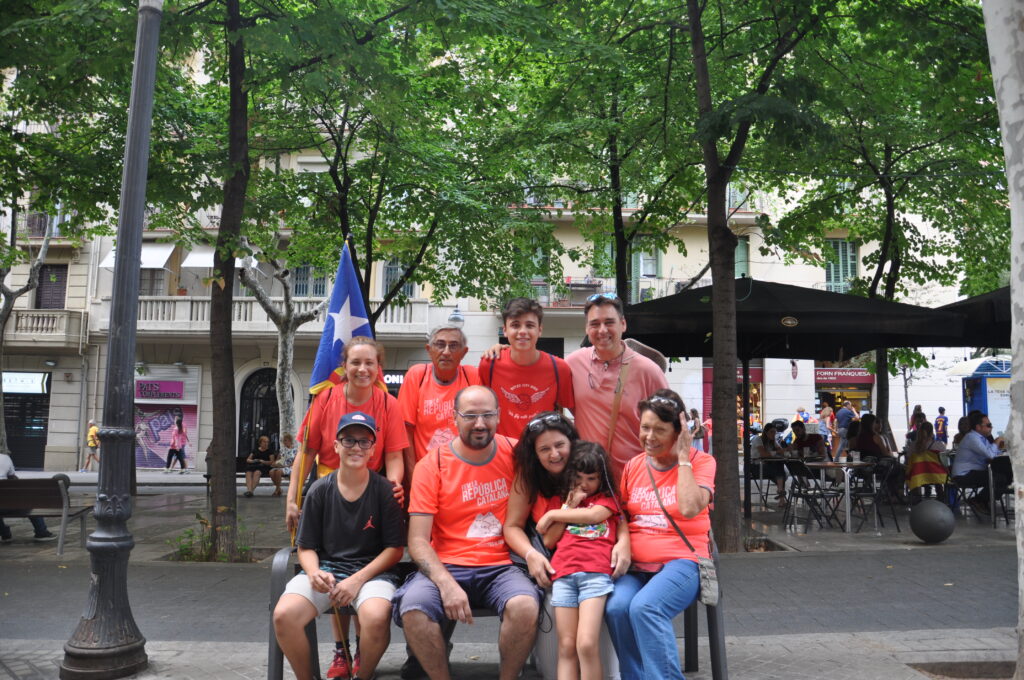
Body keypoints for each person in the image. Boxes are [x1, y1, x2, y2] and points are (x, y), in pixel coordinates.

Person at [396, 385, 541, 680]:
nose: (480, 423)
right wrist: (446, 584)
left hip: (501, 564)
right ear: (454, 418)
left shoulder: (517, 454)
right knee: (414, 610)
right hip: (446, 563)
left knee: (525, 605)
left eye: (487, 415)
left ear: (499, 416)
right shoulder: (432, 464)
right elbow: (418, 540)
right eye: (470, 415)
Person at [289, 337, 409, 679]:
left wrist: (392, 487)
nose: (362, 369)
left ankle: (361, 648)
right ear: (344, 365)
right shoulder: (327, 398)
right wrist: (292, 498)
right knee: (332, 561)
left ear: (378, 367)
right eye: (355, 362)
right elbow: (307, 452)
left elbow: (394, 454)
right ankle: (341, 649)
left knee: (362, 562)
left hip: (370, 483)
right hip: (329, 488)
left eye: (370, 362)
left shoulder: (387, 402)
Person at [272, 412, 406, 680]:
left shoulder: (385, 491)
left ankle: (362, 676)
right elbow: (306, 546)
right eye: (348, 440)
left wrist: (357, 580)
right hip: (327, 570)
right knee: (284, 615)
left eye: (364, 442)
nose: (356, 447)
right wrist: (314, 572)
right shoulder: (320, 490)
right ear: (335, 446)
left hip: (373, 574)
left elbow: (395, 549)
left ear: (373, 449)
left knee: (376, 618)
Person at [503, 412, 624, 680]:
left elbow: (614, 512)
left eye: (560, 445)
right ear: (534, 454)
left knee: (587, 642)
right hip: (559, 568)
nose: (554, 454)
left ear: (572, 443)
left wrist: (624, 542)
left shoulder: (591, 471)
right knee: (566, 645)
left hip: (596, 567)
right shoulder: (535, 481)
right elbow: (530, 533)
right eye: (544, 449)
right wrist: (531, 553)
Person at [605, 389, 715, 680]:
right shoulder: (633, 466)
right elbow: (622, 515)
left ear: (679, 432)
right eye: (645, 427)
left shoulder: (702, 462)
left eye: (660, 430)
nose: (649, 437)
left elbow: (689, 508)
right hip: (636, 564)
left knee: (646, 608)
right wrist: (623, 543)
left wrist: (683, 458)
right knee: (617, 608)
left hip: (684, 560)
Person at [534, 441, 620, 680]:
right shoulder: (562, 502)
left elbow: (594, 515)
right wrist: (567, 506)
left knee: (586, 643)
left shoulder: (606, 500)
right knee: (566, 646)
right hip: (563, 576)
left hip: (595, 576)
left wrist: (553, 515)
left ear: (602, 478)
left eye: (591, 478)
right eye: (579, 477)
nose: (584, 484)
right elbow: (549, 540)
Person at [565, 294, 668, 475]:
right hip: (588, 480)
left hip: (636, 481)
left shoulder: (648, 371)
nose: (602, 330)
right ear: (587, 328)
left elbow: (669, 427)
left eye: (609, 322)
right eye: (595, 324)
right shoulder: (572, 364)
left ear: (623, 324)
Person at [479, 297, 574, 439]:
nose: (522, 331)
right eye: (515, 325)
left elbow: (568, 411)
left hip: (541, 449)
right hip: (502, 448)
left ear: (539, 330)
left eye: (529, 325)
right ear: (505, 330)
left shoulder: (559, 368)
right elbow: (481, 410)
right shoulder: (489, 364)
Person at [398, 324, 480, 468]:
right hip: (427, 469)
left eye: (453, 346)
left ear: (464, 352)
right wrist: (413, 474)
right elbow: (406, 431)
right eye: (440, 345)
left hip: (463, 469)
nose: (446, 352)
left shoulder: (472, 376)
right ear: (429, 350)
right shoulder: (417, 376)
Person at [951, 411, 1009, 515]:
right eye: (988, 425)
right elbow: (990, 454)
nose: (991, 428)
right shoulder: (972, 438)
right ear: (978, 427)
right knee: (999, 478)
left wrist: (1000, 448)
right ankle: (979, 500)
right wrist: (997, 441)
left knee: (1006, 473)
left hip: (975, 471)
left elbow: (993, 454)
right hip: (964, 475)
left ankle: (983, 500)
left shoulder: (982, 439)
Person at [0, 452, 56, 542]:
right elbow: (12, 478)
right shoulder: (4, 458)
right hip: (10, 505)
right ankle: (41, 531)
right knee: (29, 502)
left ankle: (3, 532)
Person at [906, 421, 947, 502]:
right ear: (932, 432)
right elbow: (944, 461)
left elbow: (908, 460)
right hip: (936, 475)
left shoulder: (913, 446)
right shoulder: (939, 445)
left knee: (913, 468)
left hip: (918, 476)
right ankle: (940, 494)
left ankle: (916, 495)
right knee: (938, 467)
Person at [751, 422, 786, 506]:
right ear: (766, 432)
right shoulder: (758, 440)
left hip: (767, 466)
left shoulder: (773, 441)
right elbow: (764, 454)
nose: (773, 434)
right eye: (771, 432)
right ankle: (781, 496)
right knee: (780, 472)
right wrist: (777, 452)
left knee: (781, 470)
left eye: (775, 432)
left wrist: (785, 449)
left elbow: (781, 451)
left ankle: (781, 494)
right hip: (756, 467)